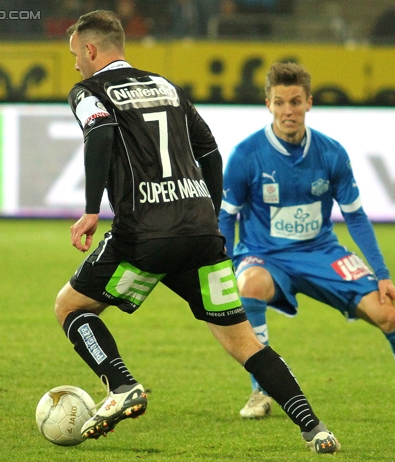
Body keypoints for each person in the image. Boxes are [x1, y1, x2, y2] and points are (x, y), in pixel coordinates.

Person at [56, 10, 340, 454]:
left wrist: (92, 210)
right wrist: (205, 211)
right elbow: (209, 150)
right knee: (243, 341)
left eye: (76, 54)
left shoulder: (88, 91)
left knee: (71, 307)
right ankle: (314, 427)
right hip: (200, 234)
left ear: (91, 50)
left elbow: (101, 136)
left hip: (143, 236)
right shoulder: (168, 87)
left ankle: (121, 384)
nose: (75, 64)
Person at [218, 62, 395, 420]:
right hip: (264, 255)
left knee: (390, 314)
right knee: (250, 284)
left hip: (320, 253)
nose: (288, 110)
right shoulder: (247, 155)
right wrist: (225, 269)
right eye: (280, 102)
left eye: (295, 101)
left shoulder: (331, 153)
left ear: (309, 103)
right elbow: (226, 217)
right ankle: (260, 393)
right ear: (268, 105)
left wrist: (382, 274)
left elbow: (356, 216)